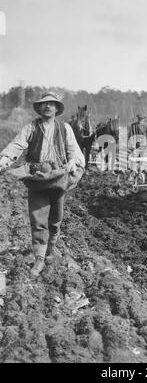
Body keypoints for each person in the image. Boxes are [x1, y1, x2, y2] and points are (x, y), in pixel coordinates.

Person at [0, 92, 85, 277]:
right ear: (39, 108)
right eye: (44, 104)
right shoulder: (31, 127)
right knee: (38, 219)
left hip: (58, 177)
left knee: (55, 219)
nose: (47, 107)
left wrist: (73, 162)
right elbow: (17, 144)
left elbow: (74, 150)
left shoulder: (65, 129)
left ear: (56, 109)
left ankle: (51, 250)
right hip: (37, 177)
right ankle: (39, 258)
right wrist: (6, 158)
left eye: (51, 104)